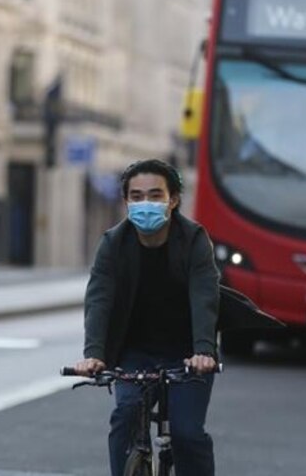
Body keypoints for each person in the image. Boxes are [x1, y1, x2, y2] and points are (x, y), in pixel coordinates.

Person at [72, 159, 220, 476]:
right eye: (136, 197)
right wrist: (94, 355)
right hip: (135, 353)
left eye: (155, 195)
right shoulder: (113, 243)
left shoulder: (194, 240)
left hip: (188, 353)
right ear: (126, 201)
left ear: (173, 200)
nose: (145, 204)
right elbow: (99, 298)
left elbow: (204, 296)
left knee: (186, 433)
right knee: (124, 418)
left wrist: (204, 350)